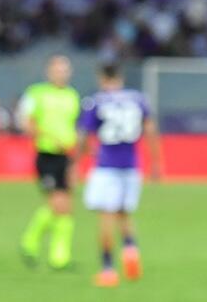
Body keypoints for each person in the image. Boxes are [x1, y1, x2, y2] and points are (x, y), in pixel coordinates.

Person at [78, 64, 164, 288]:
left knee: (106, 216)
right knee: (124, 214)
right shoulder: (138, 99)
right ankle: (130, 249)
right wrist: (156, 163)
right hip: (131, 166)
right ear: (121, 76)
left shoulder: (95, 101)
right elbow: (151, 131)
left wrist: (81, 157)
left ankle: (107, 270)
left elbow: (85, 137)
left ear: (101, 77)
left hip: (107, 166)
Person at [17, 55, 81, 270]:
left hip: (66, 157)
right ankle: (34, 242)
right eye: (58, 69)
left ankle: (57, 255)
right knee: (58, 204)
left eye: (66, 69)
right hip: (47, 155)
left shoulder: (73, 96)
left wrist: (75, 160)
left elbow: (75, 128)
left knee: (66, 207)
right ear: (49, 71)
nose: (62, 73)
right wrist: (49, 137)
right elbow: (26, 122)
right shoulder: (36, 93)